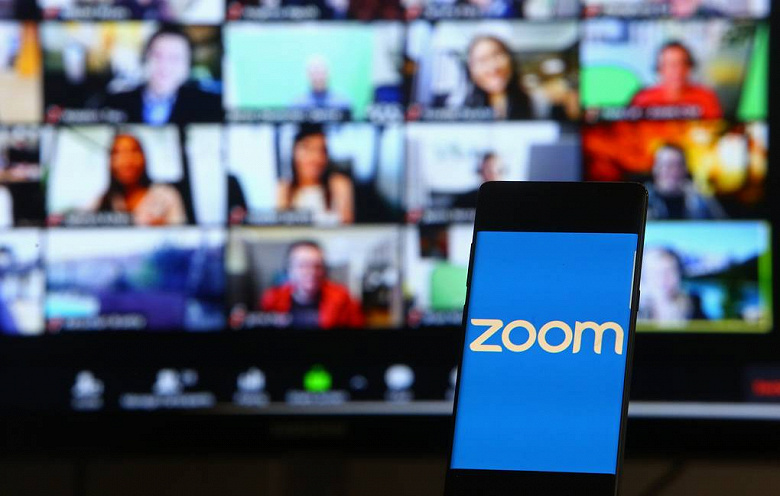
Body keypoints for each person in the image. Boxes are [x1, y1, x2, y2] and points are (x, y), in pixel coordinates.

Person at [102, 25, 222, 124]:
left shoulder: (209, 106)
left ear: (187, 66)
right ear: (145, 60)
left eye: (174, 58)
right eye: (158, 56)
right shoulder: (114, 103)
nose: (165, 66)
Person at [259, 240, 365, 329]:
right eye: (303, 265)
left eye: (317, 266)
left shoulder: (342, 297)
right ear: (289, 269)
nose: (312, 272)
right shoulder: (272, 299)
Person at [92, 134, 187, 226]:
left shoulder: (166, 196)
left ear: (144, 157)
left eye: (133, 151)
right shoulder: (101, 202)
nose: (127, 161)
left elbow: (182, 232)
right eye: (118, 153)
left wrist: (164, 227)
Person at [276, 125, 354, 225]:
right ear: (295, 151)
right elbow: (280, 228)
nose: (316, 158)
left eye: (322, 150)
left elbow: (347, 225)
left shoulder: (339, 184)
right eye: (309, 149)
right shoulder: (284, 188)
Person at [629, 41, 722, 119]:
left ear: (689, 67)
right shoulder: (643, 100)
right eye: (671, 65)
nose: (678, 70)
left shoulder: (705, 98)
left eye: (682, 63)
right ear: (660, 68)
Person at [448, 35, 532, 120]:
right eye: (482, 60)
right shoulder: (460, 112)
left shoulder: (534, 104)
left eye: (497, 55)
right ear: (471, 70)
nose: (493, 66)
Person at [645, 144, 725, 220]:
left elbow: (722, 225)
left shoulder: (700, 198)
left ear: (685, 169)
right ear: (655, 168)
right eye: (667, 165)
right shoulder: (643, 199)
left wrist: (706, 196)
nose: (672, 171)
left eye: (677, 165)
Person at [639, 247, 706, 323]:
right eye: (656, 273)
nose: (663, 279)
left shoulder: (695, 310)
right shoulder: (634, 311)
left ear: (680, 274)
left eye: (669, 271)